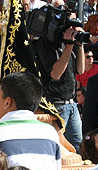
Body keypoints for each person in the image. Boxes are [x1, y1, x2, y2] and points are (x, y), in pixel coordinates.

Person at [33, 22, 85, 150]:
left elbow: (81, 69)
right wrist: (69, 46)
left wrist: (79, 45)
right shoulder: (46, 45)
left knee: (78, 148)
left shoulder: (69, 45)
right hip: (56, 105)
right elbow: (55, 74)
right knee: (55, 147)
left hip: (72, 104)